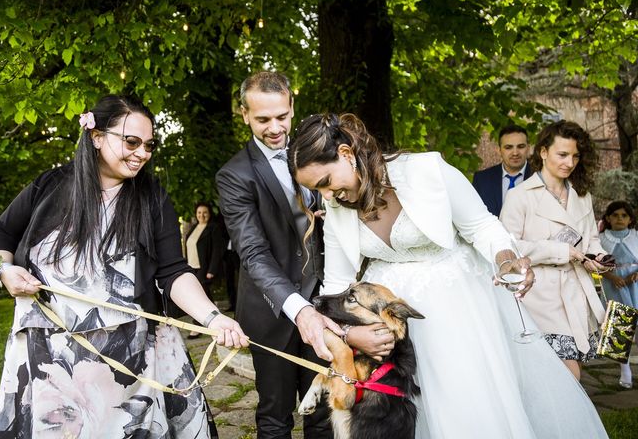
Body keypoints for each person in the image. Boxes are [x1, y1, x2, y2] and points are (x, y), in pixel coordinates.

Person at [288, 112, 608, 438]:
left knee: (465, 409)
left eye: (326, 182)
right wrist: (349, 336)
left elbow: (482, 227)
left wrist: (507, 260)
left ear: (345, 155)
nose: (327, 196)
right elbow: (336, 288)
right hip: (395, 333)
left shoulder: (428, 171)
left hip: (458, 312)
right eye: (318, 190)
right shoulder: (338, 208)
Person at [0, 95, 248, 438]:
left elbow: (173, 272)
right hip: (50, 360)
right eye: (131, 141)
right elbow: (3, 235)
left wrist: (212, 317)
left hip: (130, 364)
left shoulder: (152, 197)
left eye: (149, 144)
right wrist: (4, 271)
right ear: (97, 136)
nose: (142, 153)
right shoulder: (50, 186)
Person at [217, 72, 392, 439]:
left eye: (282, 116)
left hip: (327, 305)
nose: (275, 127)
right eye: (263, 119)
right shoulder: (234, 175)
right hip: (273, 312)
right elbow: (252, 252)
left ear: (292, 107)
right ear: (244, 115)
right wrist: (298, 308)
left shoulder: (314, 154)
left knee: (325, 412)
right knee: (275, 416)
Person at [500, 120, 608, 381]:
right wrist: (559, 251)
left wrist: (600, 258)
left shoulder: (582, 195)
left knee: (564, 376)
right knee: (567, 373)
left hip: (577, 293)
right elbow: (507, 247)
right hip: (540, 296)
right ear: (543, 152)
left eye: (575, 156)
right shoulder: (520, 196)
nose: (569, 163)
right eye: (562, 154)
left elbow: (592, 239)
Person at [599, 200, 638, 389]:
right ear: (608, 218)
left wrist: (635, 274)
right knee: (619, 323)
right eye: (615, 215)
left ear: (630, 219)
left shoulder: (636, 236)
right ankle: (625, 369)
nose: (619, 219)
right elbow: (597, 264)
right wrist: (612, 277)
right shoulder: (602, 238)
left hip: (635, 283)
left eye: (624, 215)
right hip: (614, 283)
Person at [184, 202, 226, 338]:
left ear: (209, 214)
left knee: (199, 298)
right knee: (205, 298)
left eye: (205, 212)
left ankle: (197, 326)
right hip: (192, 268)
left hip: (204, 269)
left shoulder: (214, 228)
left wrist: (212, 270)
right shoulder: (194, 228)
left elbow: (217, 251)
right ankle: (218, 323)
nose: (202, 215)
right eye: (199, 212)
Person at [472, 123, 532, 216]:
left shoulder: (541, 177)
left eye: (520, 146)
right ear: (499, 150)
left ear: (528, 148)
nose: (515, 153)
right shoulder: (482, 180)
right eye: (508, 147)